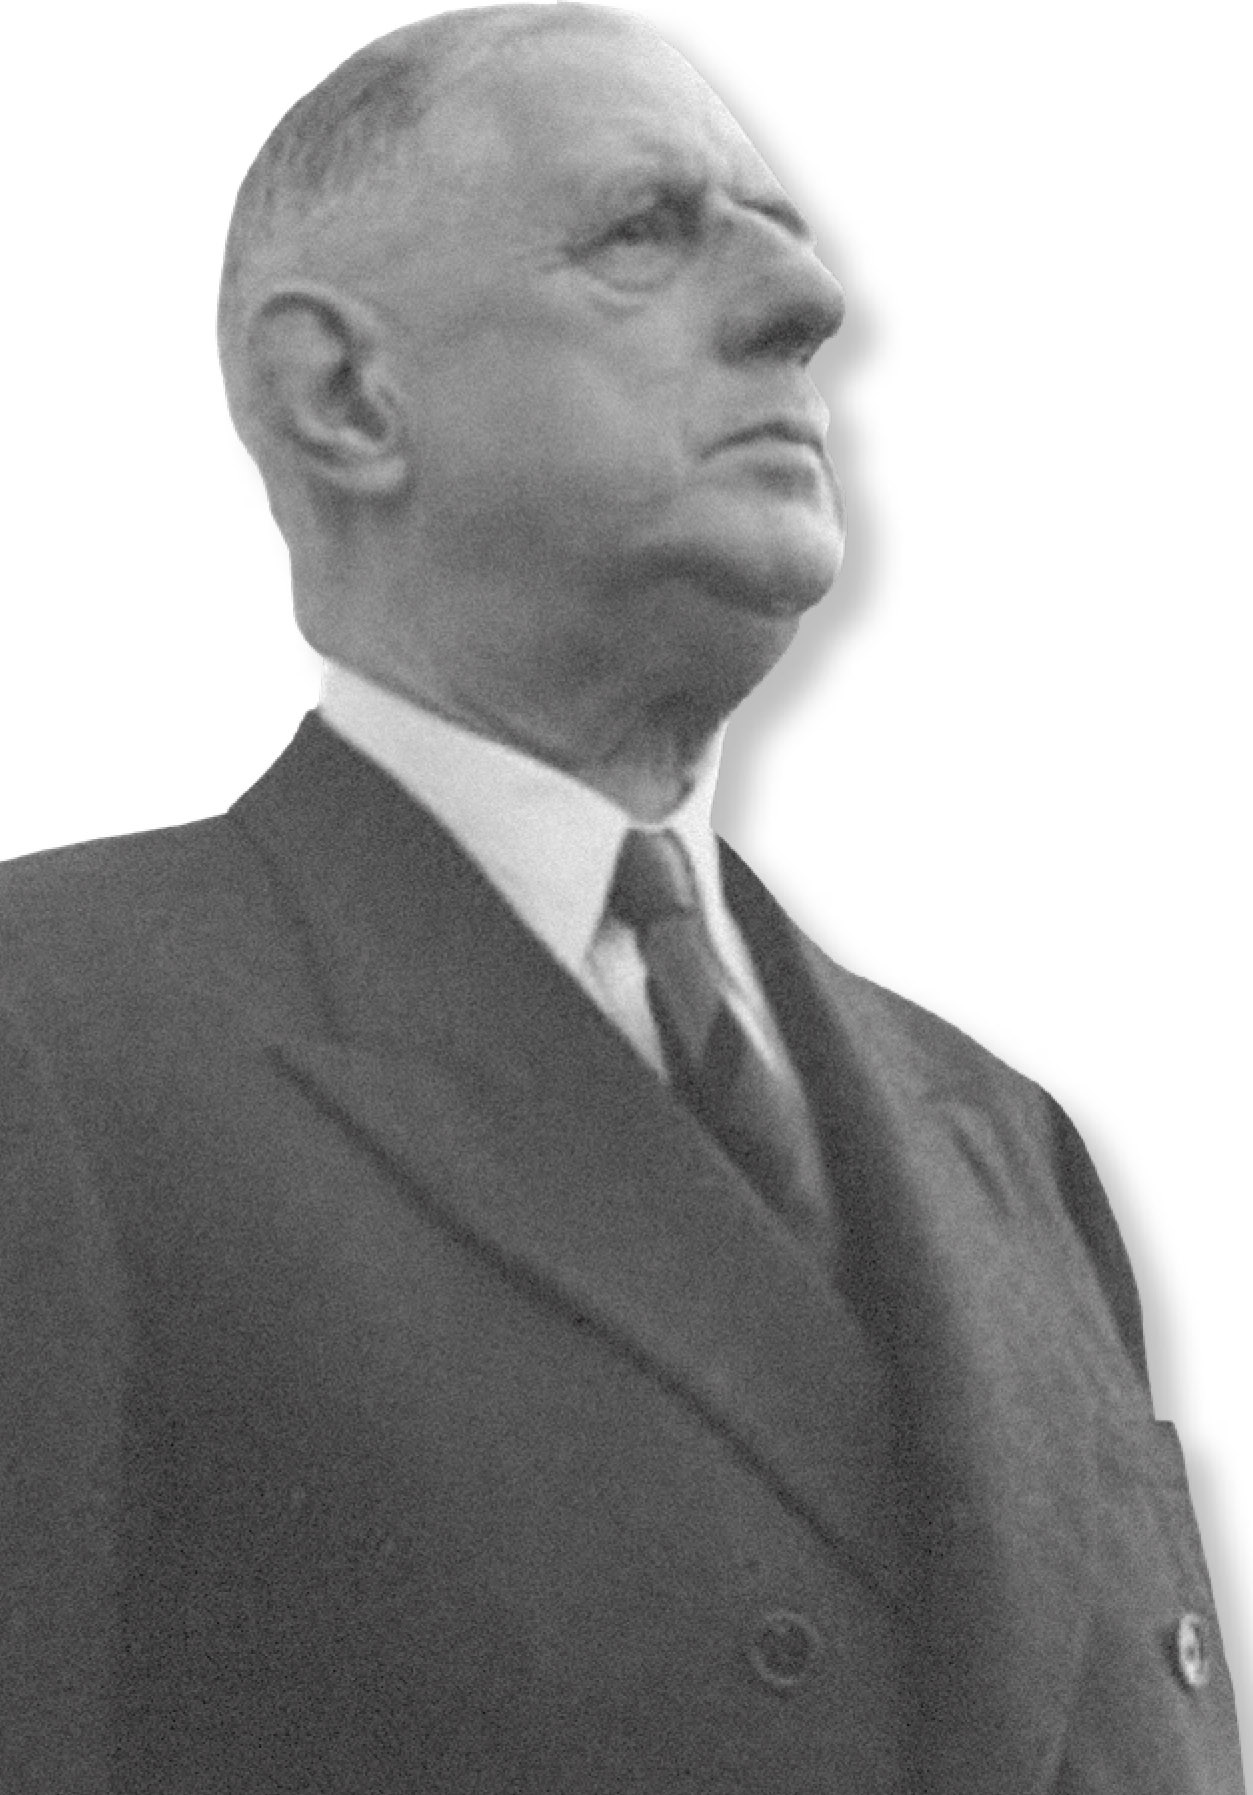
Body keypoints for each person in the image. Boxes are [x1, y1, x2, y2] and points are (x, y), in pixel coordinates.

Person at [0, 5, 1243, 1790]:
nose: (806, 304)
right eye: (644, 231)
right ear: (342, 396)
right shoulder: (53, 1041)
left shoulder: (1011, 1145)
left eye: (781, 235)